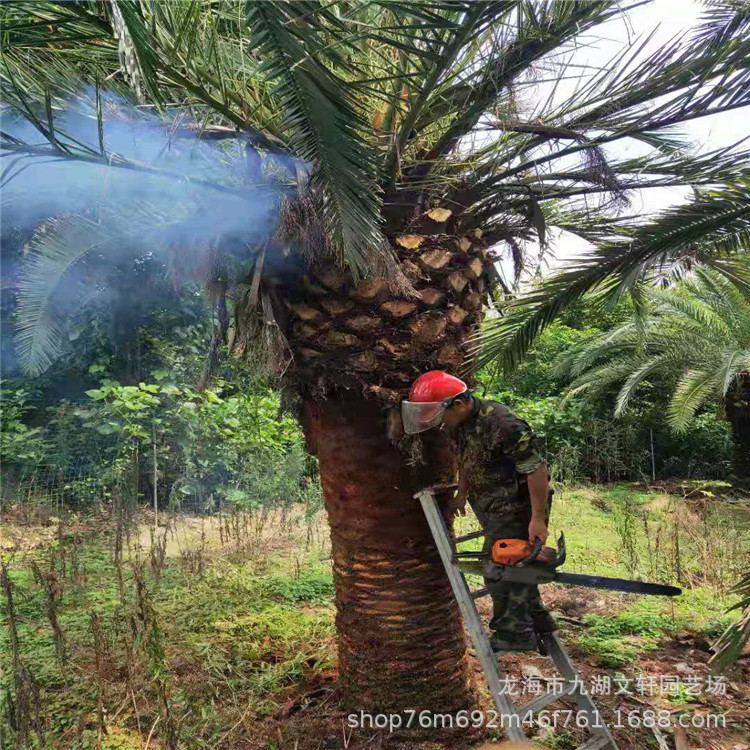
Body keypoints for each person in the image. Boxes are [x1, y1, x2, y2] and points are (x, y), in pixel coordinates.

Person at [402, 370, 557, 653]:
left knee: (499, 569)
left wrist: (537, 519)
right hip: (490, 506)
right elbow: (465, 457)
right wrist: (463, 493)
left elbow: (537, 469)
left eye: (440, 414)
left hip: (515, 507)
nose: (438, 422)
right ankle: (536, 618)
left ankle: (514, 634)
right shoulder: (457, 424)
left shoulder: (503, 424)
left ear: (459, 404)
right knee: (518, 564)